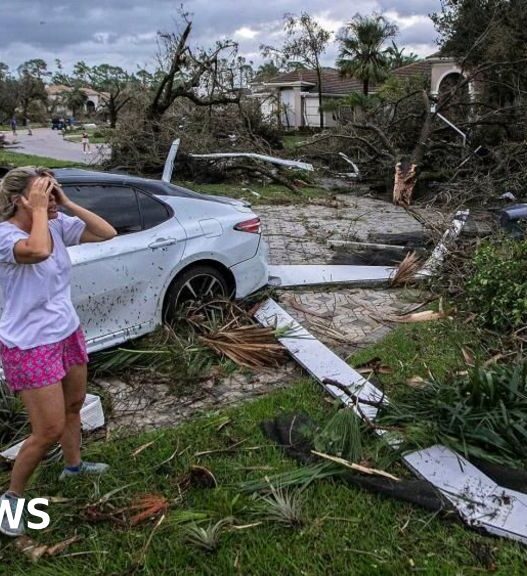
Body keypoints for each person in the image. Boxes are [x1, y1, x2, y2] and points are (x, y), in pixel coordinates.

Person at [0, 167, 117, 537]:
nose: (53, 200)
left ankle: (74, 466)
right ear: (23, 200)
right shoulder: (5, 237)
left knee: (74, 404)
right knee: (46, 429)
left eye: (54, 193)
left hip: (66, 331)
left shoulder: (54, 222)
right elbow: (36, 251)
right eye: (46, 193)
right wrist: (39, 210)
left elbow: (106, 232)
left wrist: (64, 203)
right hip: (30, 344)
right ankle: (12, 502)